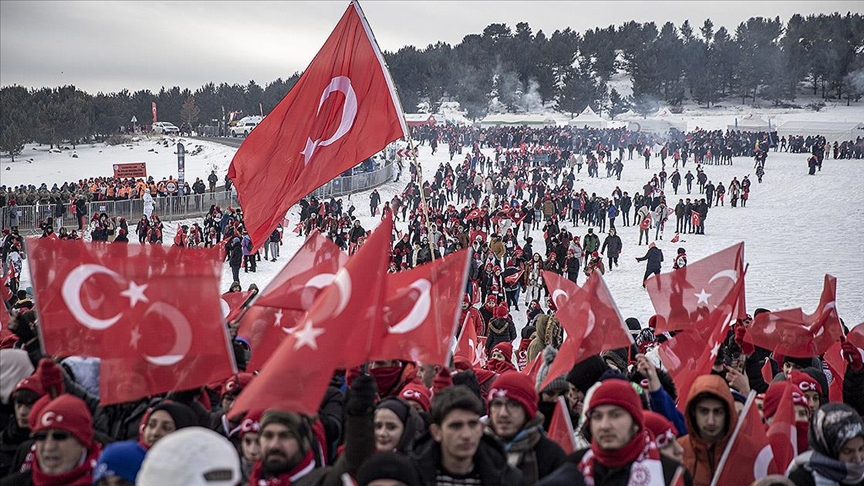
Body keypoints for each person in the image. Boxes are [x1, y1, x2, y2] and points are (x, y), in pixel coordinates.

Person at [539, 378, 690, 485]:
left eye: (615, 415)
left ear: (636, 423)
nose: (605, 425)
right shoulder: (573, 467)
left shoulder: (670, 474)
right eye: (597, 416)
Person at [410, 385, 523, 485]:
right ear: (436, 432)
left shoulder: (508, 478)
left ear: (481, 428)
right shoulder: (411, 476)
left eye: (472, 424)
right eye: (456, 426)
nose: (466, 435)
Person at [678, 374, 772, 486]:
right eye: (704, 411)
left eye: (717, 412)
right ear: (693, 412)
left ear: (727, 413)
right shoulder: (678, 451)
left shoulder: (753, 452)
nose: (711, 421)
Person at [2, 394, 101, 486]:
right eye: (41, 437)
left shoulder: (108, 481)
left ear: (83, 442)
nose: (49, 447)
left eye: (60, 436)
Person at [485, 372, 565, 483]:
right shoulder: (476, 449)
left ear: (528, 410)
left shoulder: (550, 454)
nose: (503, 413)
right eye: (497, 404)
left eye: (513, 404)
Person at [786, 403, 864, 486]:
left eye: (861, 449)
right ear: (827, 448)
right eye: (848, 451)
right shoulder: (802, 480)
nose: (858, 459)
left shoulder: (860, 475)